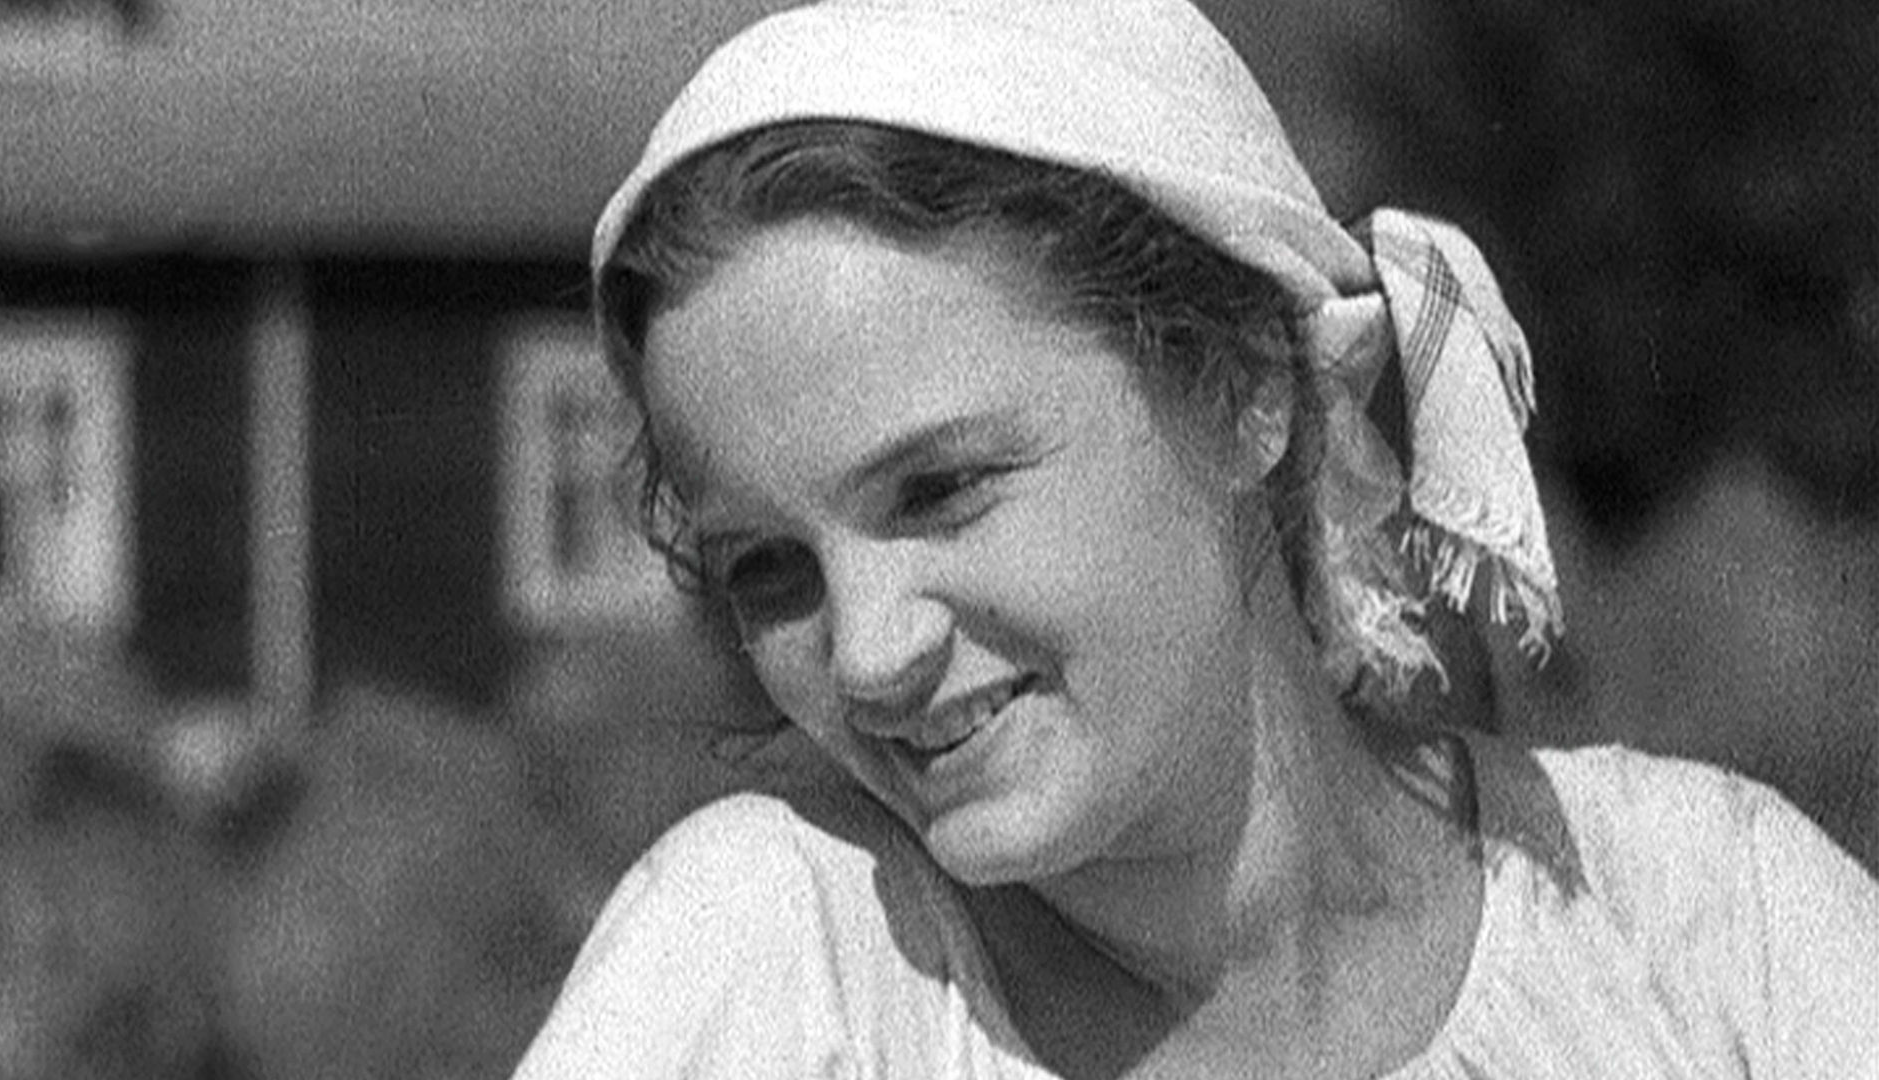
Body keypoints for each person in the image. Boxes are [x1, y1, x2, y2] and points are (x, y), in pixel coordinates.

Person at [513, 1, 1879, 1076]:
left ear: (1245, 391)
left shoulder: (1710, 926)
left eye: (940, 490)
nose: (868, 655)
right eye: (766, 569)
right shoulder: (787, 969)